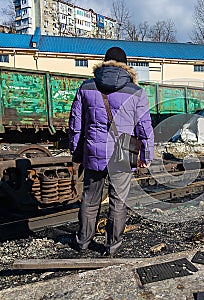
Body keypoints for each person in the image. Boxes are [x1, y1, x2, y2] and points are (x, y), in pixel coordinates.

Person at [68, 47, 154, 257]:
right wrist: (147, 155)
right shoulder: (136, 91)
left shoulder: (86, 87)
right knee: (118, 202)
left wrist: (76, 150)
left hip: (94, 152)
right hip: (121, 155)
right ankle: (111, 247)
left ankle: (83, 242)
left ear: (105, 63)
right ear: (126, 65)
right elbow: (144, 127)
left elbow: (75, 124)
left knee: (90, 199)